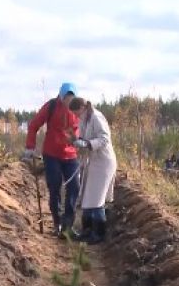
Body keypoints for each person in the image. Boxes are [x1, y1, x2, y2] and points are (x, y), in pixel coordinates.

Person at [23, 82, 81, 238]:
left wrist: (80, 142)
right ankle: (58, 223)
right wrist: (30, 147)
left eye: (72, 96)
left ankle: (68, 224)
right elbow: (34, 125)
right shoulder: (51, 106)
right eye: (67, 96)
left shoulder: (76, 109)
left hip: (70, 154)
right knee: (54, 186)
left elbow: (79, 130)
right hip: (52, 154)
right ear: (61, 96)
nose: (69, 100)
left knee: (74, 187)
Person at [70, 98, 116, 244]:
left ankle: (99, 233)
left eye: (76, 113)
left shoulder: (96, 117)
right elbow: (85, 139)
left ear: (82, 108)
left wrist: (87, 144)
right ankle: (88, 230)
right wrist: (78, 141)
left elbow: (104, 138)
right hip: (93, 162)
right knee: (88, 196)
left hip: (103, 162)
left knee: (97, 199)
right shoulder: (85, 119)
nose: (76, 116)